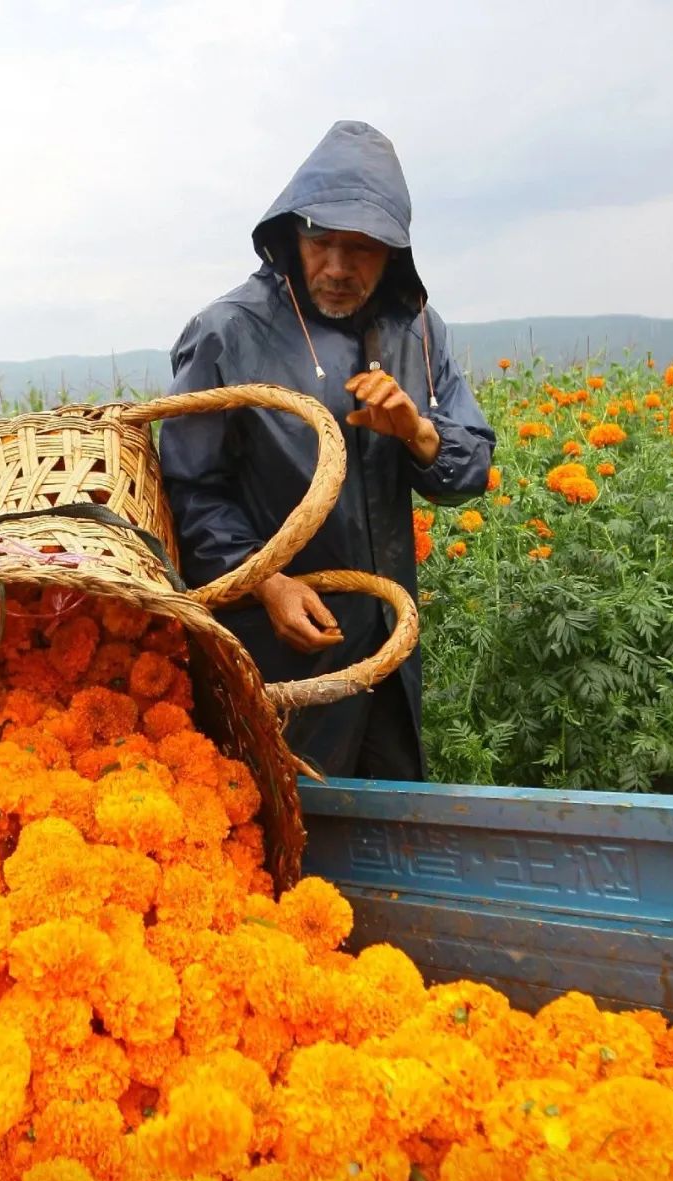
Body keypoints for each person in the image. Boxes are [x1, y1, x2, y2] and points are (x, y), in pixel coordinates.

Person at [158, 120, 495, 779]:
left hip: (388, 656)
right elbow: (192, 489)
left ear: (392, 252)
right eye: (323, 242)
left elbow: (471, 469)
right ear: (293, 232)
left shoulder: (415, 328)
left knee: (388, 820)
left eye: (362, 249)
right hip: (275, 646)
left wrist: (419, 434)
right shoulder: (230, 332)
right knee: (281, 818)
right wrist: (267, 582)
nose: (337, 268)